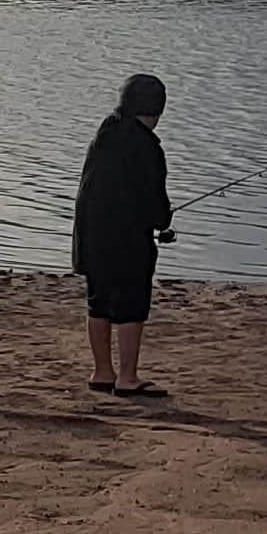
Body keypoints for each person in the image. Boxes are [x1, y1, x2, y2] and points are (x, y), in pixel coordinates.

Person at [71, 71, 174, 397]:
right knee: (132, 308)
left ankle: (102, 372)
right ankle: (128, 378)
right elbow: (156, 207)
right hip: (128, 243)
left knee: (98, 304)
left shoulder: (105, 134)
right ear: (157, 110)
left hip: (91, 237)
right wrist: (164, 222)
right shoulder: (148, 149)